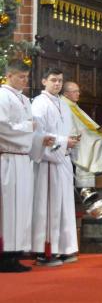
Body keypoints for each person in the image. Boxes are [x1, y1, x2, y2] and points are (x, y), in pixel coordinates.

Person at [0, 61, 53, 272]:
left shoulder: (23, 99)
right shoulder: (3, 96)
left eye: (27, 77)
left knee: (21, 208)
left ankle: (14, 254)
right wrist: (28, 127)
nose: (25, 81)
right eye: (21, 77)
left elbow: (29, 132)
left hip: (22, 160)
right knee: (8, 209)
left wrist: (40, 140)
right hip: (8, 159)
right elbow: (2, 127)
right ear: (9, 76)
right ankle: (4, 256)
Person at [31, 68, 79, 267]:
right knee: (48, 207)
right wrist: (64, 142)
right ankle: (46, 252)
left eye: (60, 80)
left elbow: (65, 131)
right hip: (48, 162)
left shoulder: (63, 104)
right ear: (44, 81)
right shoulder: (39, 104)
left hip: (63, 160)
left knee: (65, 206)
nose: (57, 84)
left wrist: (71, 141)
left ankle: (65, 248)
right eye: (53, 80)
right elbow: (38, 136)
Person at [62, 81, 102, 218]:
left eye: (78, 91)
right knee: (96, 143)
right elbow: (70, 127)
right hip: (71, 139)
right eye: (75, 91)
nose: (78, 94)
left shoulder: (72, 105)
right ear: (66, 93)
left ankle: (87, 188)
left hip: (80, 136)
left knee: (98, 140)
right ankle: (86, 188)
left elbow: (86, 124)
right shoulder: (64, 105)